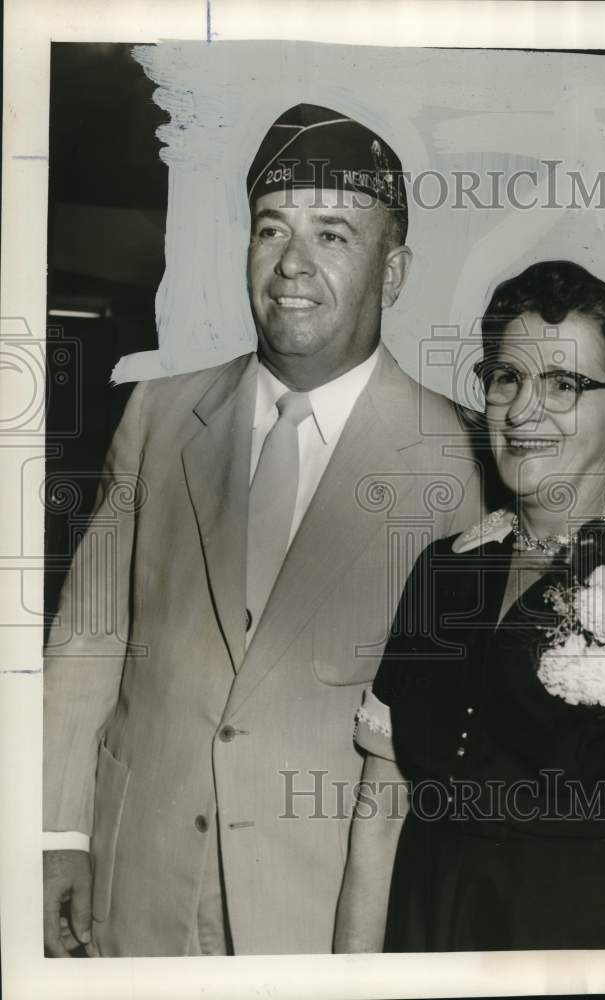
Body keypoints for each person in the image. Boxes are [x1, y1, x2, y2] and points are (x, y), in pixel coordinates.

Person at [42, 104, 480, 957]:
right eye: (271, 229)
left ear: (394, 273)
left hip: (326, 906)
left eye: (333, 235)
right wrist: (55, 836)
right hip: (138, 883)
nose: (291, 266)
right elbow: (87, 640)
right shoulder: (158, 415)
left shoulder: (460, 456)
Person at [335, 260, 605, 952]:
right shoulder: (444, 572)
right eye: (506, 378)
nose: (522, 411)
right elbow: (378, 817)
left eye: (564, 385)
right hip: (423, 951)